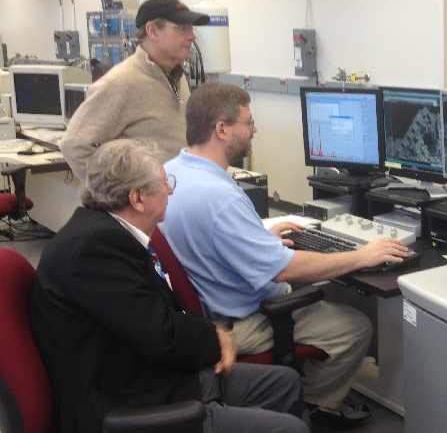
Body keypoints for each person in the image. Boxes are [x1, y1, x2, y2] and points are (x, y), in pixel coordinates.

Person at [161, 82, 410, 429]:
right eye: (248, 123)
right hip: (239, 319)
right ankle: (315, 404)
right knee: (355, 325)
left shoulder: (173, 171)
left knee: (330, 289)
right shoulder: (220, 196)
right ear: (221, 129)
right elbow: (286, 270)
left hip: (202, 308)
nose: (254, 130)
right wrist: (362, 255)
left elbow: (205, 236)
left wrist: (257, 236)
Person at [29, 139, 309, 433]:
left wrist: (212, 335)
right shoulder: (93, 249)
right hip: (128, 404)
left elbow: (155, 318)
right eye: (165, 183)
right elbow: (160, 333)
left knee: (284, 384)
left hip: (142, 370)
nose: (171, 190)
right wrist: (215, 337)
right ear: (137, 198)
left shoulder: (107, 232)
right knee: (290, 429)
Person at [61, 0, 208, 181]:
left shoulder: (178, 76)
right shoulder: (121, 82)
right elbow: (74, 146)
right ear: (152, 31)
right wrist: (117, 197)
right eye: (181, 28)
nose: (191, 36)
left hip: (175, 199)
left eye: (191, 28)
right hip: (144, 205)